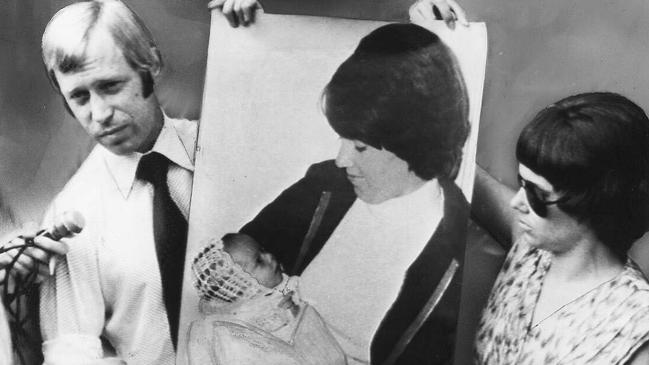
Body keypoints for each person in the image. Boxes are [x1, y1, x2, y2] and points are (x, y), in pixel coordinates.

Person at [239, 22, 471, 365]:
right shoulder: (326, 185)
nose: (341, 158)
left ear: (414, 144)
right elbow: (233, 265)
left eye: (360, 146)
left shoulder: (455, 253)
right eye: (342, 138)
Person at [472, 92, 649, 364]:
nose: (518, 202)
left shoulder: (636, 326)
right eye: (522, 184)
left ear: (592, 203)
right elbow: (463, 174)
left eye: (536, 193)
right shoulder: (529, 252)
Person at [187, 233, 346, 364]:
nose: (270, 256)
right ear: (240, 284)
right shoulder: (231, 324)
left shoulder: (284, 288)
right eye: (259, 261)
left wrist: (297, 309)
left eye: (263, 250)